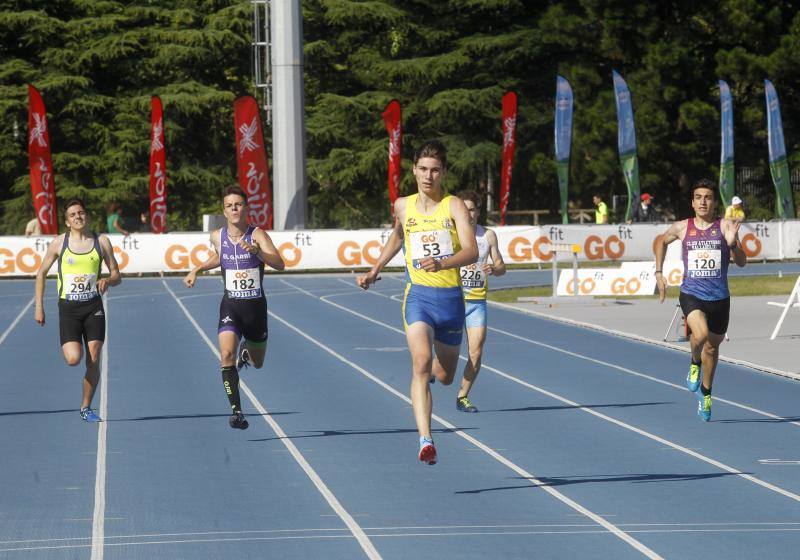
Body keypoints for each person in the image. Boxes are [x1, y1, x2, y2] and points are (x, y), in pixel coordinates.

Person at [357, 140, 478, 465]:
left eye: (435, 170)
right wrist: (375, 269)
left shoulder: (454, 206)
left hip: (451, 300)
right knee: (421, 363)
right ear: (414, 170)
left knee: (445, 374)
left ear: (443, 172)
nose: (428, 175)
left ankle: (434, 385)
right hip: (418, 297)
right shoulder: (402, 205)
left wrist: (443, 263)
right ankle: (425, 438)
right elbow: (398, 234)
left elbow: (472, 251)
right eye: (423, 169)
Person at [184, 186, 285, 430]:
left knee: (258, 362)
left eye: (238, 204)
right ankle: (236, 411)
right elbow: (219, 257)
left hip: (255, 308)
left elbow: (280, 264)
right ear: (224, 211)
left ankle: (247, 353)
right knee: (225, 356)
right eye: (229, 206)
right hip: (231, 305)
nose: (234, 209)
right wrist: (196, 269)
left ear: (245, 208)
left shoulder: (257, 234)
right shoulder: (217, 236)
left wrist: (259, 252)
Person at [654, 178, 746, 421]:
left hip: (720, 299)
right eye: (699, 197)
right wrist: (659, 272)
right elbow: (660, 242)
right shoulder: (682, 227)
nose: (703, 202)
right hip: (692, 294)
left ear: (715, 202)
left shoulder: (726, 226)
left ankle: (706, 391)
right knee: (701, 334)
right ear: (692, 203)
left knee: (713, 348)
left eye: (708, 197)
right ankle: (694, 362)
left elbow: (742, 261)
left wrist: (733, 244)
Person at [34, 199, 122, 422]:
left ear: (87, 216)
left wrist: (108, 281)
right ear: (67, 222)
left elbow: (117, 274)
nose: (78, 217)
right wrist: (39, 307)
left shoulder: (101, 242)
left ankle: (86, 407)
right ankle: (84, 399)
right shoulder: (59, 243)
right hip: (69, 309)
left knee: (93, 357)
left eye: (81, 213)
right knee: (74, 358)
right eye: (73, 215)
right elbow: (41, 273)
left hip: (93, 307)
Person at [455, 190, 506, 413]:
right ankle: (431, 369)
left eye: (472, 209)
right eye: (464, 209)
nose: (468, 213)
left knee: (475, 353)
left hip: (476, 302)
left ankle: (462, 396)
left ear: (478, 211)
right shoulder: (452, 235)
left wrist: (494, 268)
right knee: (443, 353)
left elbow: (502, 267)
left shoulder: (488, 236)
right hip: (453, 300)